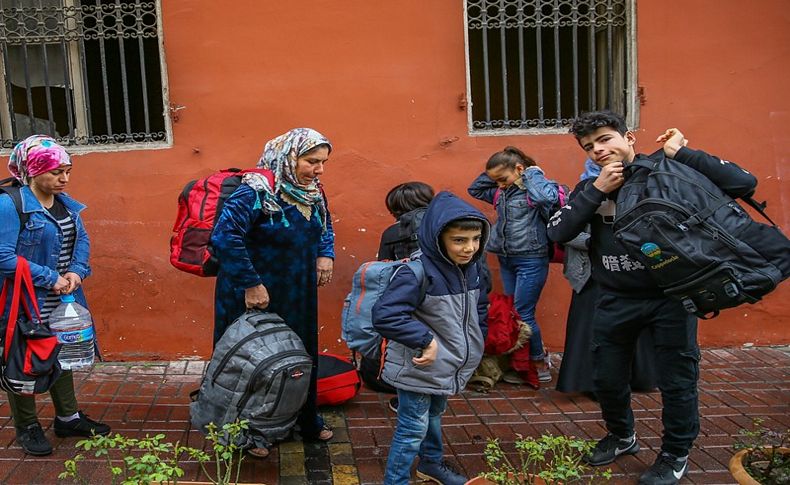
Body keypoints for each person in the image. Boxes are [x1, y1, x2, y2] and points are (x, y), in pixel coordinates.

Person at [547, 111, 757, 485]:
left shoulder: (666, 171)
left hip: (672, 297)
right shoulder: (589, 189)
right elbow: (559, 231)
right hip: (613, 298)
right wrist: (597, 192)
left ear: (629, 137)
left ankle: (675, 454)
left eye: (605, 139)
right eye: (589, 146)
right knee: (607, 377)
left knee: (677, 381)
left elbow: (743, 182)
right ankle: (622, 436)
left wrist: (683, 154)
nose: (598, 150)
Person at [210, 128, 335, 458]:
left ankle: (303, 417)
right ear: (288, 158)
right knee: (251, 359)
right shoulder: (253, 192)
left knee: (298, 355)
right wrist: (250, 283)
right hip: (253, 291)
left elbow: (325, 225)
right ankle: (247, 431)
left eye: (323, 162)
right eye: (312, 161)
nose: (319, 169)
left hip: (298, 290)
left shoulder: (312, 190)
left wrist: (326, 254)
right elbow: (224, 239)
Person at [0, 135, 110, 456]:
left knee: (64, 353)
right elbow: (4, 257)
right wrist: (52, 278)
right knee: (23, 361)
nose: (64, 179)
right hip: (24, 301)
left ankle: (68, 417)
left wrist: (76, 271)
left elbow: (82, 240)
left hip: (64, 298)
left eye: (67, 171)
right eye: (56, 172)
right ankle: (28, 426)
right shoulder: (10, 204)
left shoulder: (64, 204)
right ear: (33, 172)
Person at [372, 191, 489, 485]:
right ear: (438, 239)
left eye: (475, 239)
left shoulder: (473, 270)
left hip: (446, 364)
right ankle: (396, 480)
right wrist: (425, 340)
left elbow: (480, 309)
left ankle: (431, 464)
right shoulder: (416, 272)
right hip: (419, 364)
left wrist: (478, 340)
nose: (469, 248)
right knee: (412, 428)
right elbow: (386, 315)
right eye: (459, 240)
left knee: (434, 414)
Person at [556, 159, 657, 396]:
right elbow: (564, 233)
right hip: (591, 274)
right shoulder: (581, 195)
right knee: (591, 328)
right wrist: (596, 243)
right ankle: (593, 383)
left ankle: (638, 378)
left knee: (636, 327)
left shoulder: (638, 193)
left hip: (630, 273)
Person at [468, 146, 558, 383]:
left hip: (532, 258)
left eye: (502, 179)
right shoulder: (503, 192)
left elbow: (545, 198)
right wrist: (498, 173)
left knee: (523, 313)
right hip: (506, 258)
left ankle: (539, 362)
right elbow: (475, 189)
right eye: (495, 180)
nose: (499, 184)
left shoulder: (536, 189)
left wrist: (531, 172)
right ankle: (520, 363)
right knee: (513, 313)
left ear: (519, 169)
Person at [371, 181, 435, 413]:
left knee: (410, 346)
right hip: (444, 296)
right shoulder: (444, 225)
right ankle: (435, 393)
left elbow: (383, 270)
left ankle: (407, 398)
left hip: (407, 298)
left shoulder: (392, 233)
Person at [377, 181, 434, 261]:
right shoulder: (442, 222)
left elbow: (383, 268)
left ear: (394, 208)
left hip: (410, 272)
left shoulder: (391, 232)